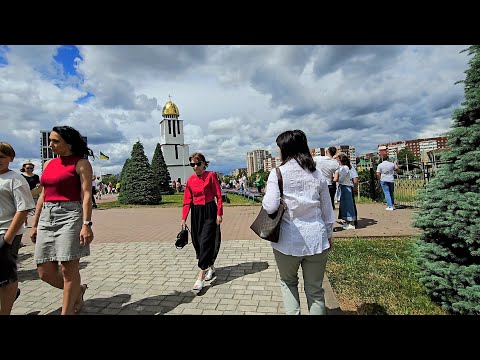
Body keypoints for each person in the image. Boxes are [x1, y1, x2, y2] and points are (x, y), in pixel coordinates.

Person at [262, 130, 334, 315]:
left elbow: (270, 207)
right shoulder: (317, 174)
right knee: (316, 291)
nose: (278, 152)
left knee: (288, 283)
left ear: (285, 150)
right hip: (317, 240)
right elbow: (327, 210)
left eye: (279, 148)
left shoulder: (277, 173)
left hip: (287, 242)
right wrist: (329, 235)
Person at [30, 126, 94, 315]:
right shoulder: (50, 163)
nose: (51, 145)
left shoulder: (81, 164)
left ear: (69, 143)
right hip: (47, 216)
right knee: (44, 271)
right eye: (50, 140)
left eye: (55, 141)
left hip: (70, 214)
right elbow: (43, 194)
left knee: (68, 269)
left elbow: (87, 195)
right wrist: (34, 224)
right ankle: (78, 291)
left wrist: (86, 224)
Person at [0, 142, 36, 315]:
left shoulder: (15, 179)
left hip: (7, 231)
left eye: (2, 156)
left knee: (6, 276)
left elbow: (23, 209)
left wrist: (7, 239)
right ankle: (12, 293)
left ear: (11, 158)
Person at [181, 152, 223, 292]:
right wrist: (183, 218)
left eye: (198, 164)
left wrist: (219, 213)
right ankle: (210, 266)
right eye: (192, 164)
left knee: (205, 241)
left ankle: (200, 276)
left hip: (209, 211)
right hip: (196, 213)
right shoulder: (190, 180)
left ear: (204, 163)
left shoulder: (211, 176)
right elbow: (187, 200)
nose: (195, 167)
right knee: (197, 242)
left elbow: (218, 196)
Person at [333, 154, 356, 230]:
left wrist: (335, 179)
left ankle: (351, 223)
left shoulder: (345, 168)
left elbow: (341, 179)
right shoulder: (343, 167)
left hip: (346, 186)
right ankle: (347, 222)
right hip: (343, 187)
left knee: (348, 205)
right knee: (344, 205)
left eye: (338, 160)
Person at [20, 161, 41, 228]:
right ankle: (25, 222)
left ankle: (35, 224)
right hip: (25, 195)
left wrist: (38, 185)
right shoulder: (21, 176)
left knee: (36, 210)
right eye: (28, 168)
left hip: (34, 194)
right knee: (24, 209)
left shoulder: (36, 176)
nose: (29, 169)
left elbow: (38, 183)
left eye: (31, 168)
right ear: (24, 168)